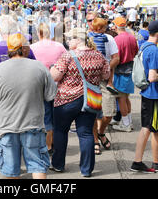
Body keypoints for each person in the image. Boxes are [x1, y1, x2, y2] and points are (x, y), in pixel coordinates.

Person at [0, 33, 57, 179]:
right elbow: (50, 96)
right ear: (24, 49)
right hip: (33, 124)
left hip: (7, 125)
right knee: (38, 165)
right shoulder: (39, 67)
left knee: (10, 170)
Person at [50, 28, 110, 177]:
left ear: (78, 40)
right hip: (90, 99)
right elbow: (106, 75)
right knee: (86, 134)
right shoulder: (99, 56)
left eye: (70, 38)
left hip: (66, 99)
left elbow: (54, 77)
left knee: (60, 131)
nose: (68, 41)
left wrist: (53, 68)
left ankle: (58, 164)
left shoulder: (67, 56)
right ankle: (86, 169)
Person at [131, 20, 158, 173]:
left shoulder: (144, 46)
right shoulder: (154, 50)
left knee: (155, 129)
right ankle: (138, 161)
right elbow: (153, 76)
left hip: (147, 93)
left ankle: (156, 160)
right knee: (148, 128)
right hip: (154, 94)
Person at [31, 23, 66, 154]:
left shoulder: (32, 47)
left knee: (45, 116)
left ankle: (48, 144)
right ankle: (54, 142)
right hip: (57, 85)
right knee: (56, 116)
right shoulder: (60, 46)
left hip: (40, 86)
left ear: (39, 34)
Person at [88, 17, 119, 154]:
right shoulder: (87, 38)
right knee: (92, 111)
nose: (90, 23)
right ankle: (95, 139)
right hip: (90, 79)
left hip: (105, 78)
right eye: (89, 20)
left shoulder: (108, 39)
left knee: (109, 111)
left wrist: (105, 68)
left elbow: (116, 58)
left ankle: (101, 132)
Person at [111, 17, 138, 132]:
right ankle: (128, 121)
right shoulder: (132, 37)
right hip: (130, 68)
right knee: (126, 98)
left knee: (121, 98)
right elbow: (136, 50)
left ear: (116, 26)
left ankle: (126, 123)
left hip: (120, 70)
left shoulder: (116, 39)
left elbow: (115, 57)